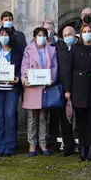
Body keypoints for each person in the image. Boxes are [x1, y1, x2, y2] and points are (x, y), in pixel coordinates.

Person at [66, 22, 91, 161]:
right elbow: (69, 70)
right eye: (84, 31)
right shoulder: (75, 49)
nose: (87, 33)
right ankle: (82, 148)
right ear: (80, 34)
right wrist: (68, 90)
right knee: (81, 122)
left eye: (89, 31)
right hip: (79, 89)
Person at [22, 26, 58, 156]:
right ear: (34, 37)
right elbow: (24, 66)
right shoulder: (28, 50)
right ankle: (32, 143)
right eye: (39, 35)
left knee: (43, 117)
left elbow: (54, 67)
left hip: (45, 87)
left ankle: (43, 142)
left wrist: (52, 79)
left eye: (44, 35)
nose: (41, 38)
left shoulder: (51, 50)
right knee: (32, 118)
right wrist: (24, 79)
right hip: (32, 87)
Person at [0, 25, 23, 156]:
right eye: (1, 35)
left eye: (6, 35)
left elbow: (23, 67)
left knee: (10, 115)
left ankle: (10, 146)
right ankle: (0, 146)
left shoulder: (17, 51)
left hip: (12, 89)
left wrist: (18, 78)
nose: (3, 37)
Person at [55, 22, 79, 156]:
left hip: (78, 87)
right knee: (64, 120)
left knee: (81, 119)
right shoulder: (59, 48)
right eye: (65, 35)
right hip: (63, 88)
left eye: (70, 34)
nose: (68, 37)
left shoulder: (80, 47)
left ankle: (83, 145)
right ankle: (68, 146)